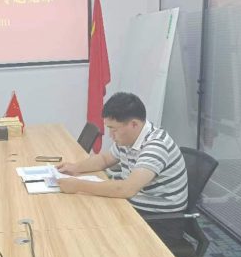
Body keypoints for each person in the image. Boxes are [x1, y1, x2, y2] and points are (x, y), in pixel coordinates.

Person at [57, 92, 188, 242]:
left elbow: (126, 189)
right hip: (133, 206)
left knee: (91, 228)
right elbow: (105, 159)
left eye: (114, 129)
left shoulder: (156, 146)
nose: (110, 135)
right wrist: (75, 168)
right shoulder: (129, 138)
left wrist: (78, 185)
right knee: (84, 214)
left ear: (134, 124)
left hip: (159, 221)